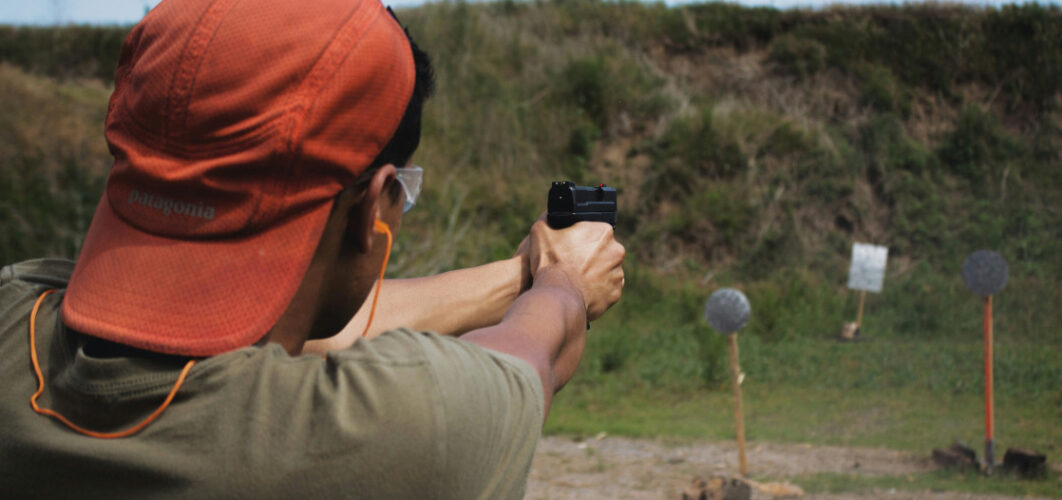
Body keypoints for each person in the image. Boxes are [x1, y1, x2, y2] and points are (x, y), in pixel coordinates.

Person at [0, 0, 625, 497]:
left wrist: (522, 274)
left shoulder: (13, 314)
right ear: (374, 208)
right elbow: (529, 359)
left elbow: (306, 327)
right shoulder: (408, 428)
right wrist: (562, 283)